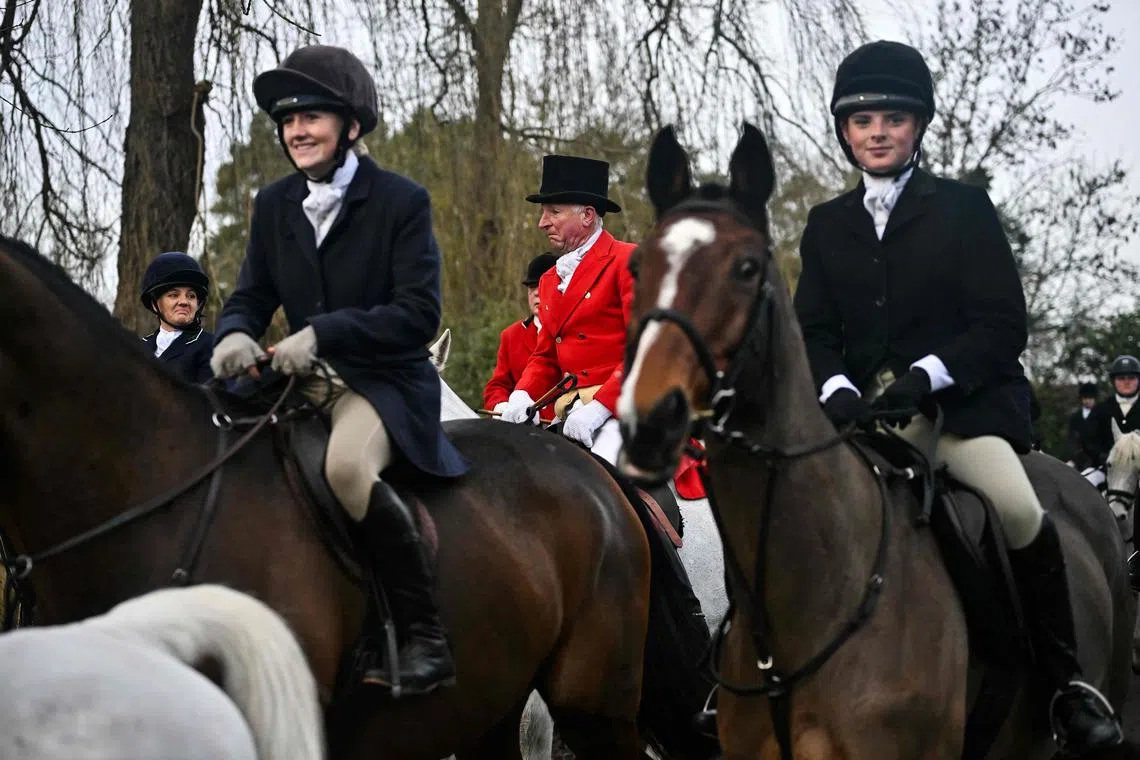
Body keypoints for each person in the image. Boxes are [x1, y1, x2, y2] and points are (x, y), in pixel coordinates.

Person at [792, 40, 1122, 753]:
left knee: (1016, 505)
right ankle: (754, 671)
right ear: (844, 132)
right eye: (862, 120)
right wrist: (838, 385)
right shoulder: (826, 225)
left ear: (919, 126)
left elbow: (1003, 325)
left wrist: (927, 374)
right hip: (859, 422)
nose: (877, 131)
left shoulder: (966, 211)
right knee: (783, 502)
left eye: (893, 118)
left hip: (958, 416)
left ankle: (1066, 685)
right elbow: (812, 329)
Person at [209, 44, 468, 697]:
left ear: (351, 125)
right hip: (300, 381)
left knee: (346, 469)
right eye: (287, 120)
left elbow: (416, 313)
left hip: (381, 381)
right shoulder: (273, 205)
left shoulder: (401, 201)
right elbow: (250, 294)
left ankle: (423, 637)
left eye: (311, 116)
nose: (296, 130)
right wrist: (235, 332)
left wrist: (324, 331)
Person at [498, 155, 635, 465]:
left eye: (553, 212)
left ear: (587, 215)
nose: (542, 222)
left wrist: (600, 407)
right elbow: (546, 356)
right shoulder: (550, 279)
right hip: (570, 411)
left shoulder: (628, 262)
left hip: (624, 412)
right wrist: (522, 395)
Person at [483, 252, 558, 420]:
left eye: (542, 285)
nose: (536, 294)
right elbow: (497, 385)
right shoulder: (511, 336)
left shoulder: (572, 332)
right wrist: (503, 406)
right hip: (522, 428)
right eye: (532, 288)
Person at [139, 252, 214, 384]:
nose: (184, 301)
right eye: (174, 295)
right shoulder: (139, 347)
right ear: (155, 305)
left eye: (191, 296)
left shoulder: (210, 345)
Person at [1083, 356, 1140, 471]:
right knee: (1084, 482)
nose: (1126, 382)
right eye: (1121, 378)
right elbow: (1088, 440)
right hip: (1106, 468)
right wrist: (1103, 457)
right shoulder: (1100, 410)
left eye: (1131, 378)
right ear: (1114, 381)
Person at [1065, 382, 1098, 470]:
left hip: (1096, 459)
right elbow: (1071, 438)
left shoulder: (1100, 416)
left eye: (1090, 398)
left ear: (1094, 399)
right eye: (1085, 398)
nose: (1088, 401)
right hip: (1077, 457)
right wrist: (1074, 453)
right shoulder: (1075, 417)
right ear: (1081, 399)